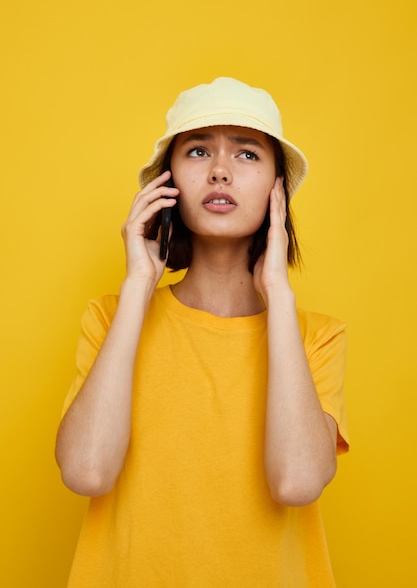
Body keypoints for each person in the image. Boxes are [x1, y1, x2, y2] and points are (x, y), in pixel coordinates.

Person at [56, 77, 349, 587]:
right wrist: (138, 287)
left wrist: (278, 295)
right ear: (165, 184)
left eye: (247, 155)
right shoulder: (111, 317)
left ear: (278, 188)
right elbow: (86, 472)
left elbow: (298, 482)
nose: (219, 172)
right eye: (196, 151)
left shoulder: (315, 336)